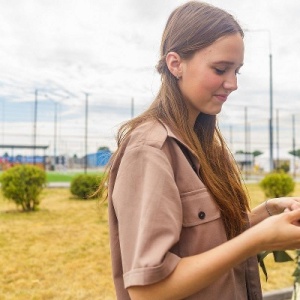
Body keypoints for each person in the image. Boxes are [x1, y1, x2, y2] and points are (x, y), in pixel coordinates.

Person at [106, 1, 300, 299]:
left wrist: (268, 213)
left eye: (237, 71)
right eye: (221, 69)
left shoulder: (206, 146)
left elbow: (207, 240)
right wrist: (257, 240)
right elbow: (148, 291)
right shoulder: (150, 150)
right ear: (175, 64)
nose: (233, 83)